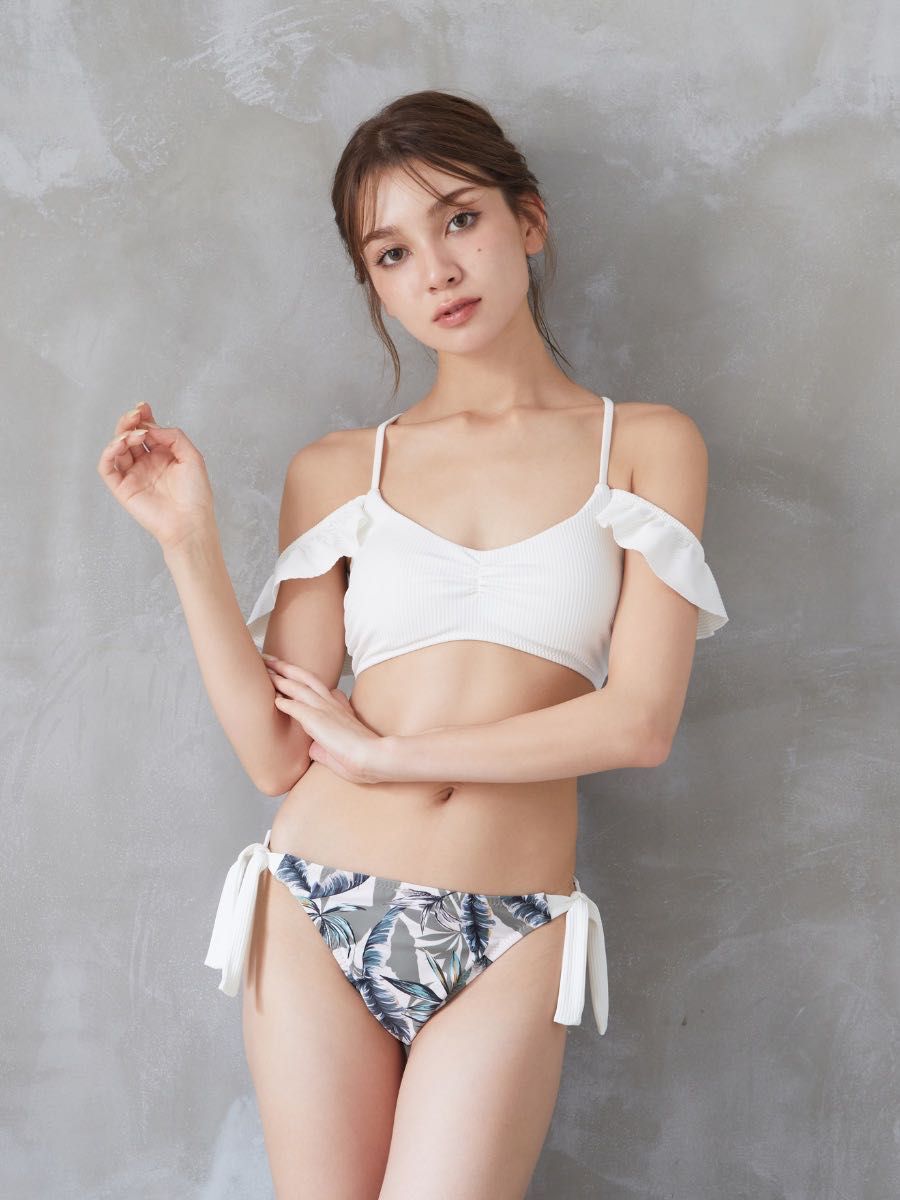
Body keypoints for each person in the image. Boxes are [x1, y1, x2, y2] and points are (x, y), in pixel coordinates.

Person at [97, 89, 728, 1200]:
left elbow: (639, 723)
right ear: (375, 285)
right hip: (315, 900)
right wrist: (188, 542)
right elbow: (275, 757)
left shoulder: (644, 445)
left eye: (460, 220)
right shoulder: (340, 468)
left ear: (528, 220)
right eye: (391, 253)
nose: (436, 270)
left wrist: (390, 756)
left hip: (514, 923)